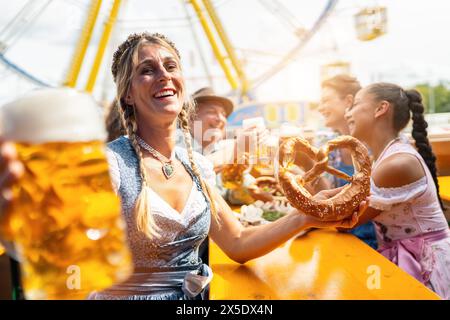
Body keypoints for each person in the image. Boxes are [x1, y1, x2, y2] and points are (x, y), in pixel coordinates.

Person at [0, 32, 362, 300]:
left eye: (170, 66)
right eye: (147, 70)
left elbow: (236, 242)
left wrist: (307, 217)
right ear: (128, 94)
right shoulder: (111, 164)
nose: (163, 75)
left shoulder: (196, 166)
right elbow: (55, 244)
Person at [345, 82, 450, 299]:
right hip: (403, 258)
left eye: (355, 104)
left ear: (381, 109)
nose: (348, 113)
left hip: (426, 265)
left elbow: (345, 219)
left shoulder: (397, 165)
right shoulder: (385, 157)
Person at [317, 74, 378, 249]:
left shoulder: (377, 145)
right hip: (341, 237)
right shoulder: (328, 146)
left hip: (376, 244)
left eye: (326, 100)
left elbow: (338, 214)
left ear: (348, 101)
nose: (320, 108)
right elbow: (327, 199)